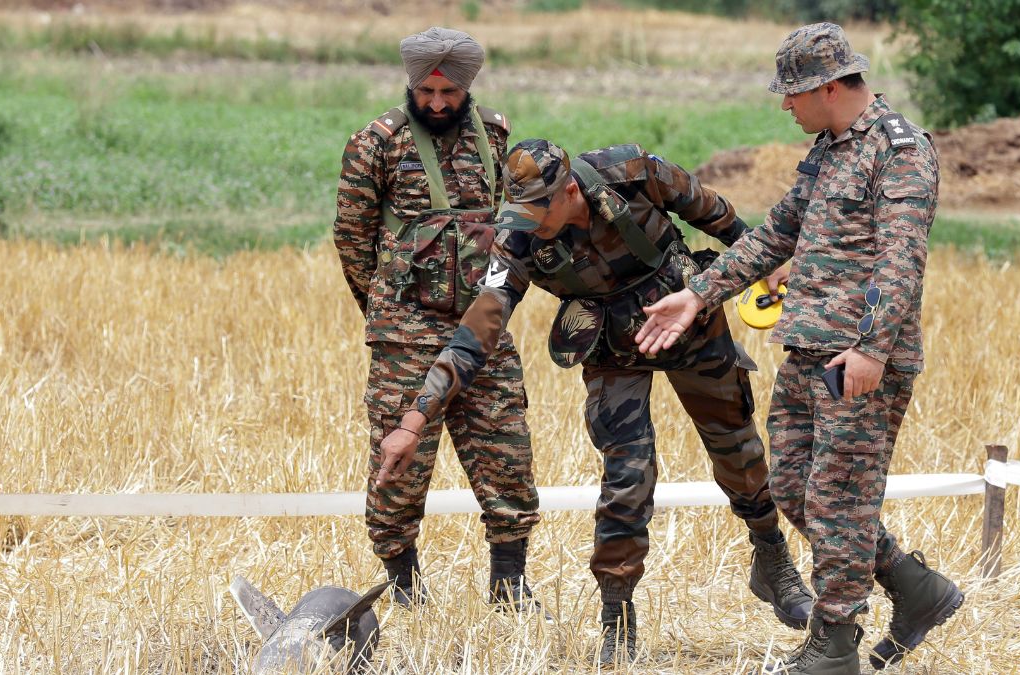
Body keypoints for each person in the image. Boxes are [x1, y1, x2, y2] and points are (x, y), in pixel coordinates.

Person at [378, 138, 814, 664]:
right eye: (518, 210)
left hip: (685, 318)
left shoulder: (630, 171)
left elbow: (714, 213)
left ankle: (772, 560)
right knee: (628, 476)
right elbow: (477, 332)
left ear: (569, 191)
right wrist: (416, 418)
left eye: (537, 209)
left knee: (739, 451)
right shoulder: (517, 240)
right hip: (611, 348)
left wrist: (764, 266)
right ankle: (617, 617)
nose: (526, 221)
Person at [635, 22, 964, 675]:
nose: (785, 104)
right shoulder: (829, 149)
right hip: (808, 347)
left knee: (840, 498)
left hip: (857, 360)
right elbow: (776, 234)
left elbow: (900, 260)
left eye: (793, 92)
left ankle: (834, 643)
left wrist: (871, 348)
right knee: (793, 489)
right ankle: (915, 587)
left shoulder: (899, 150)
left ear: (830, 87)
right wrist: (699, 294)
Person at [333, 27, 542, 613]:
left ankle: (509, 588)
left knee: (507, 458)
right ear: (411, 83)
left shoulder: (496, 136)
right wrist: (387, 312)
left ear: (468, 87)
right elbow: (352, 239)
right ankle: (404, 590)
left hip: (482, 327)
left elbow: (515, 225)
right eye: (426, 91)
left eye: (450, 93)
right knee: (398, 467)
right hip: (405, 334)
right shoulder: (375, 144)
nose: (438, 103)